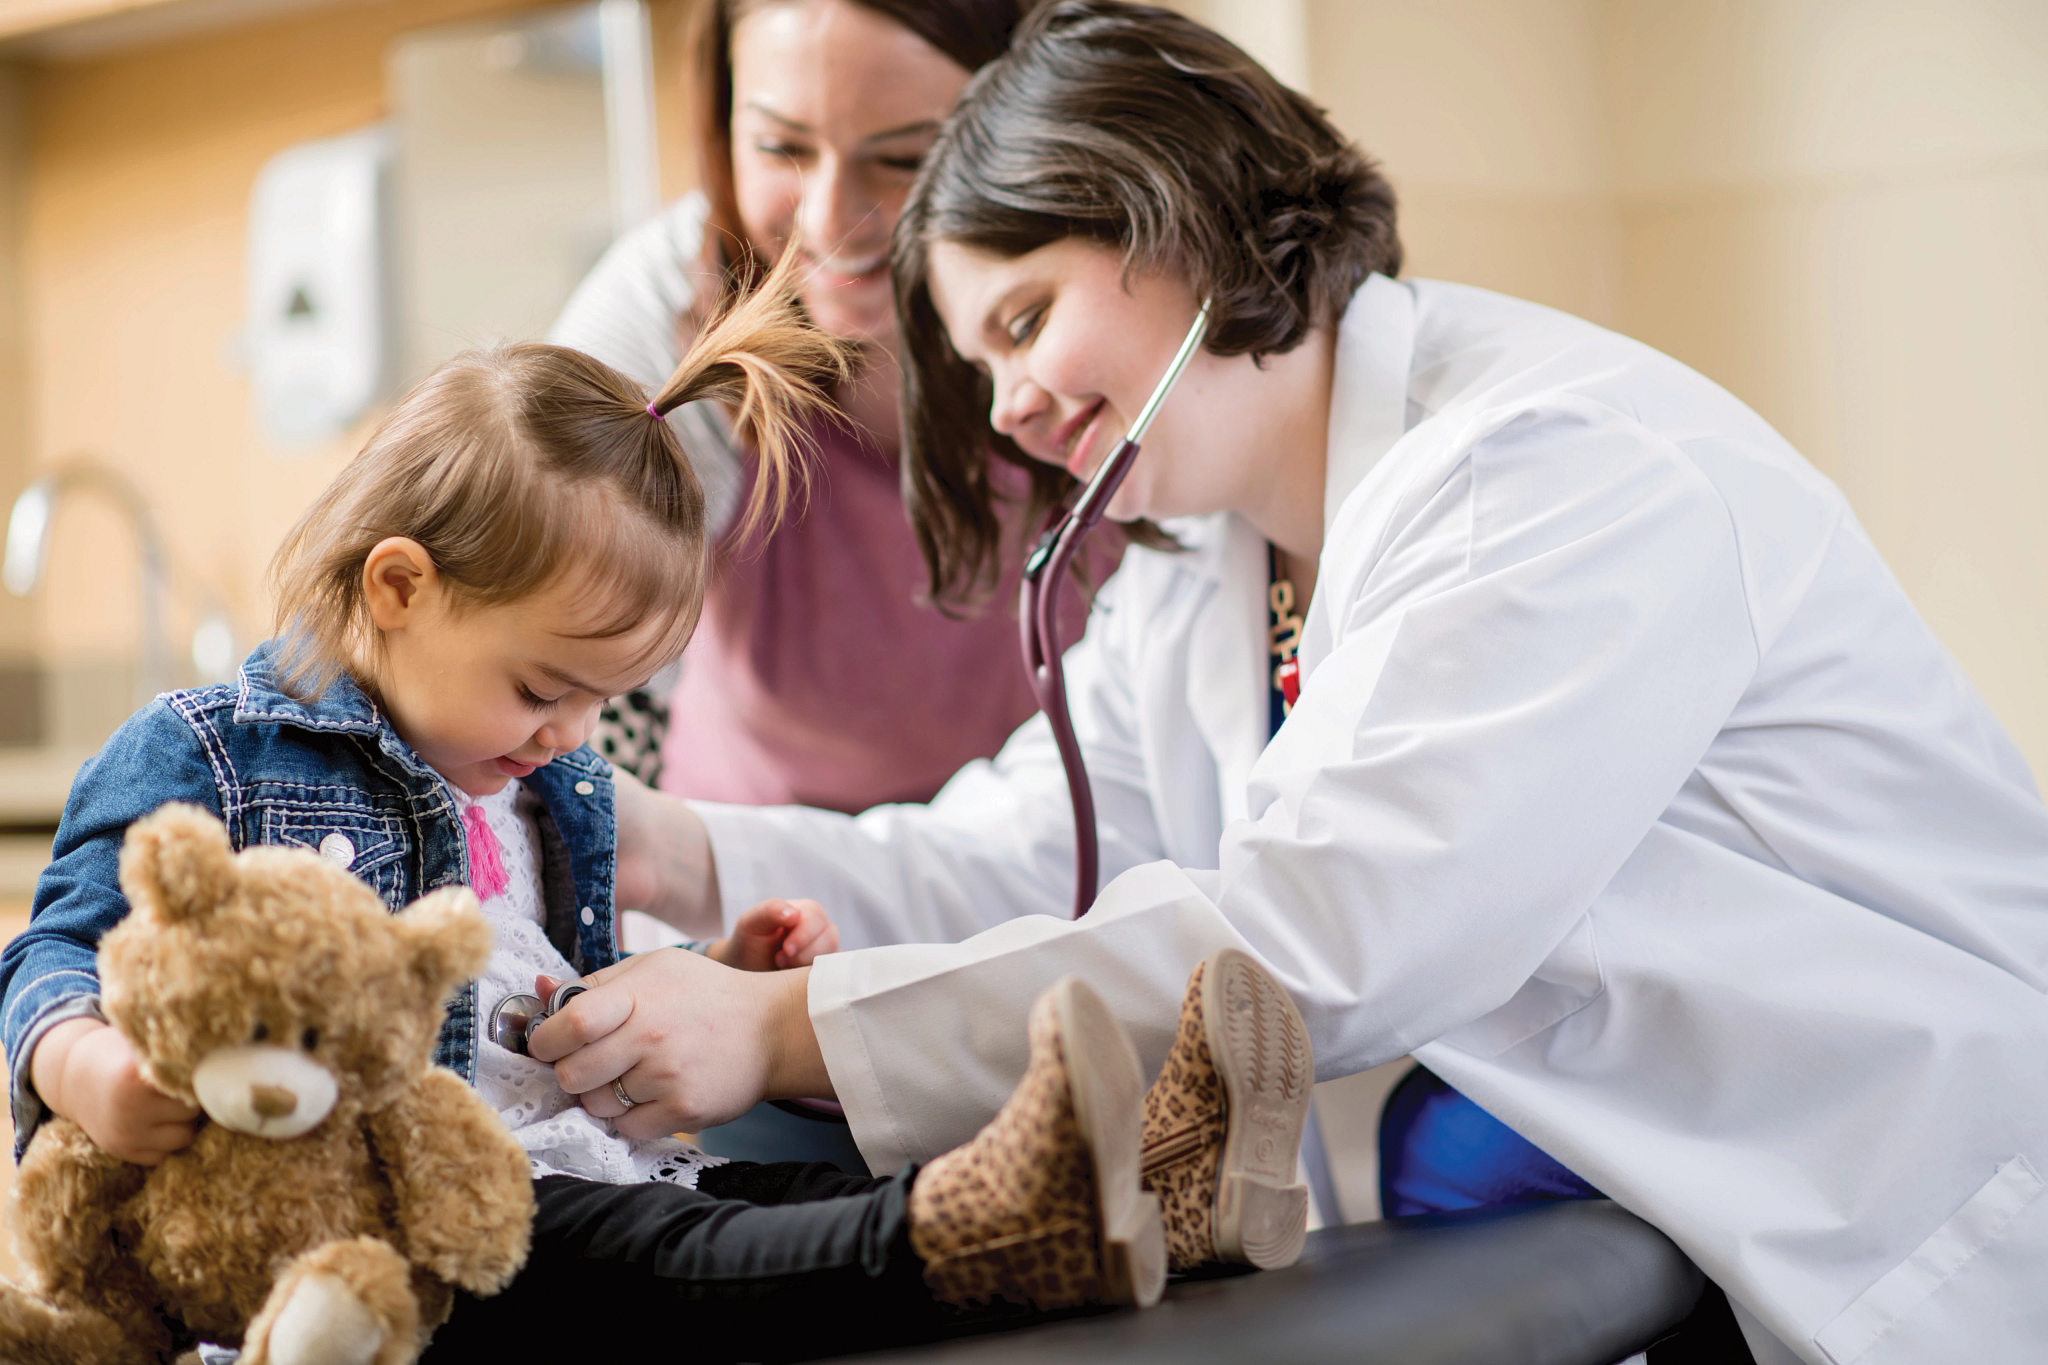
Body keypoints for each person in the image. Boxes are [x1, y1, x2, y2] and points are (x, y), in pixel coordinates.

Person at [555, 4, 2048, 1360]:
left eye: (1024, 322)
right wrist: (681, 849)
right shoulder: (1212, 554)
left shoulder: (1554, 471)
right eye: (976, 363)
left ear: (1183, 223)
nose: (1010, 410)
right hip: (1584, 1223)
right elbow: (1023, 849)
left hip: (1887, 1215)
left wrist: (779, 1025)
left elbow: (1324, 940)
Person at [0, 251, 1319, 1357]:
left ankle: (1150, 1201)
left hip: (578, 1165)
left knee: (772, 1196)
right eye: (541, 686)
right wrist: (85, 1070)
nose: (576, 737)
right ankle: (994, 1230)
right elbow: (47, 953)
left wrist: (700, 973)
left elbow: (547, 997)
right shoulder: (211, 758)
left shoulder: (545, 783)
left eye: (604, 698)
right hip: (404, 1229)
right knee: (698, 1251)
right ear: (397, 588)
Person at [552, 0, 1115, 815]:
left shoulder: (1117, 298)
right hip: (763, 892)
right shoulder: (660, 323)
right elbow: (563, 693)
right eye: (781, 147)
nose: (828, 220)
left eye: (904, 158)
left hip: (1080, 850)